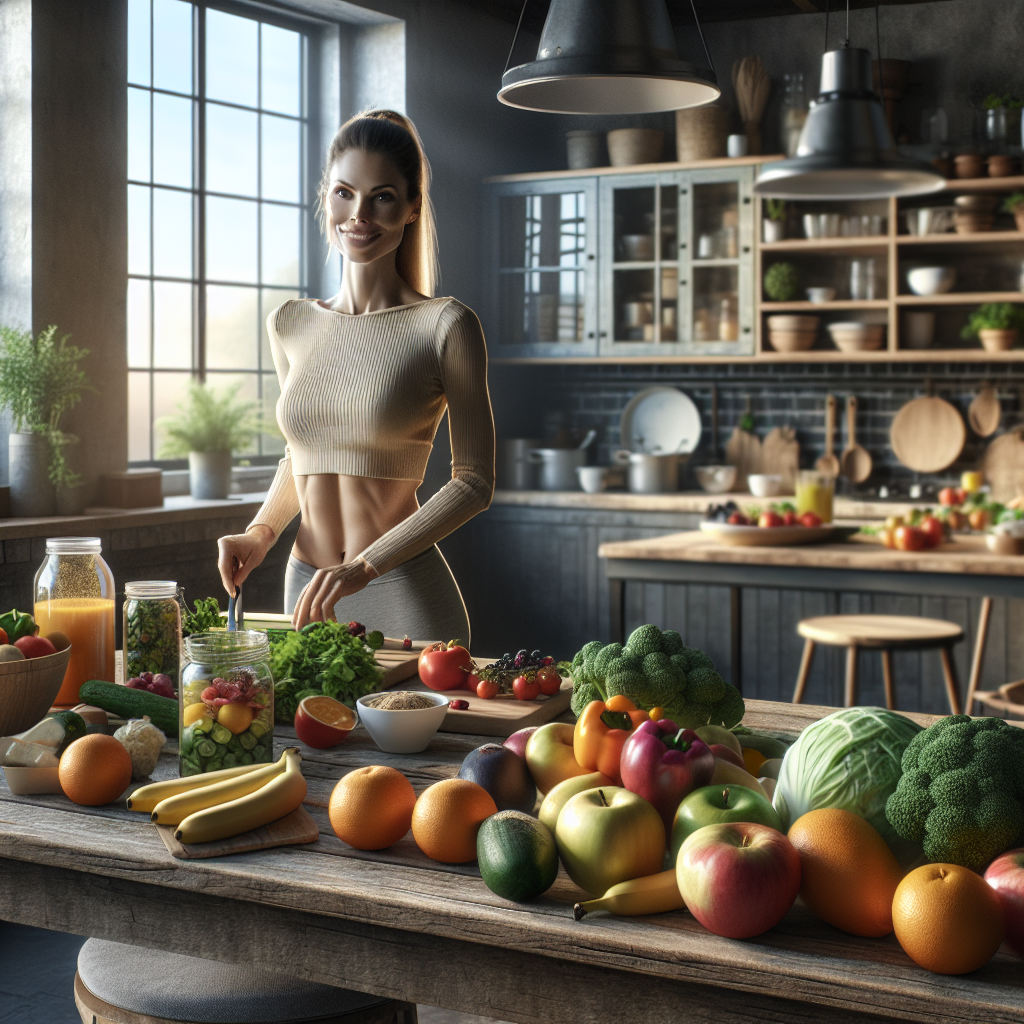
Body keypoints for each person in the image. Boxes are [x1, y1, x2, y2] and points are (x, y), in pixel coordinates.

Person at [216, 109, 494, 641]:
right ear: (326, 197)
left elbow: (474, 482)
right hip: (308, 588)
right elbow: (302, 453)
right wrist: (260, 532)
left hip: (401, 589)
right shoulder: (291, 323)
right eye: (344, 192)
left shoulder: (445, 325)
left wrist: (365, 566)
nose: (359, 213)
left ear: (412, 207)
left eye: (383, 196)